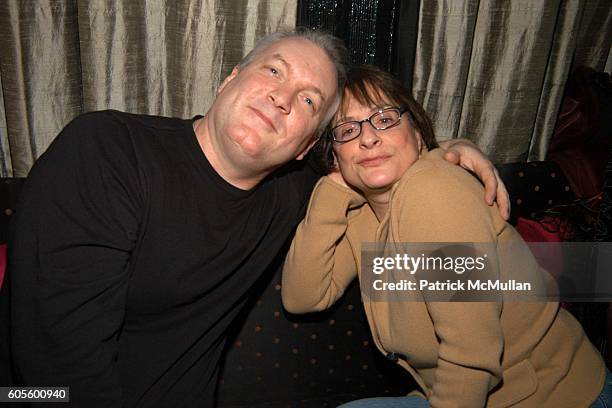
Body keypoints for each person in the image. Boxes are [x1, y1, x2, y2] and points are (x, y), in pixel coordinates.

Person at [4, 30, 507, 407]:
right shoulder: (108, 151)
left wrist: (442, 155)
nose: (282, 97)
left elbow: (374, 160)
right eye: (273, 71)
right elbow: (55, 374)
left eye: (308, 101)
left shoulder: (291, 193)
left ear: (306, 146)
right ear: (229, 79)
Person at [281, 65, 609, 407]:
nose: (367, 137)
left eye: (385, 118)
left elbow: (472, 354)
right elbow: (303, 297)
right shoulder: (365, 214)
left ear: (419, 134)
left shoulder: (433, 193)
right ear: (335, 156)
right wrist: (332, 189)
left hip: (551, 397)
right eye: (347, 130)